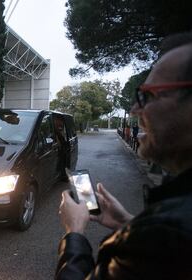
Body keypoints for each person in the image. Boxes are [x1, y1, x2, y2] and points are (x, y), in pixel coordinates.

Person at [56, 33, 192, 279]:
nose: (134, 109)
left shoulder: (170, 233)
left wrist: (74, 231)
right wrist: (130, 224)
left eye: (148, 95)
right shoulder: (171, 223)